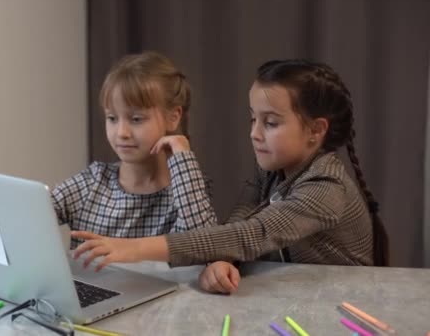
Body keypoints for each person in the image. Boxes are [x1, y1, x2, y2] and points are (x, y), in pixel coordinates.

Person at [72, 59, 390, 294]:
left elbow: (252, 235)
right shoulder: (273, 169)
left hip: (345, 303)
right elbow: (241, 221)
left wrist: (131, 249)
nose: (254, 133)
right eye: (253, 119)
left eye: (271, 123)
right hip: (299, 294)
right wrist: (226, 262)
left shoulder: (325, 188)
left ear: (316, 130)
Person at [52, 51, 216, 249]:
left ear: (173, 117)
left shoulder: (186, 188)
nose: (121, 132)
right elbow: (28, 217)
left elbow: (205, 245)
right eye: (112, 118)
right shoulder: (92, 182)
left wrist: (183, 157)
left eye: (136, 119)